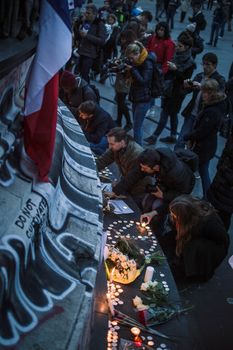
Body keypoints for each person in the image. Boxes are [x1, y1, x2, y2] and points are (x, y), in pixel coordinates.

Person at [116, 148, 195, 232]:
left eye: (145, 168)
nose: (142, 170)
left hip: (180, 191)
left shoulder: (176, 174)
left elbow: (182, 195)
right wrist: (116, 190)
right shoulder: (151, 159)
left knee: (157, 206)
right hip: (166, 184)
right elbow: (135, 174)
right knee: (148, 201)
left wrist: (164, 195)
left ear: (155, 167)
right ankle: (147, 223)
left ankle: (158, 231)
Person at [162, 195, 229, 281]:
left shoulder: (206, 222)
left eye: (174, 215)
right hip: (197, 237)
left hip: (211, 249)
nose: (172, 216)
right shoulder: (191, 214)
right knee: (170, 237)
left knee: (191, 248)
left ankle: (194, 272)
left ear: (184, 215)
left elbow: (223, 241)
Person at [144, 31, 196, 145]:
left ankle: (154, 136)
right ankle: (173, 135)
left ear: (187, 47)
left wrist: (175, 69)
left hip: (177, 92)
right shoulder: (176, 55)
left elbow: (185, 80)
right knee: (173, 114)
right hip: (168, 88)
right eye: (177, 45)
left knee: (165, 113)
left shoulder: (190, 63)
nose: (177, 47)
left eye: (180, 46)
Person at [183, 79, 228, 199]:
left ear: (212, 93)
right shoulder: (216, 105)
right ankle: (207, 197)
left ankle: (202, 196)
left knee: (195, 170)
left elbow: (202, 131)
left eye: (205, 92)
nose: (202, 95)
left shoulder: (212, 111)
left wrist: (187, 136)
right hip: (207, 146)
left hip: (203, 147)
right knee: (203, 171)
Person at [175, 52, 225, 150]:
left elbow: (220, 97)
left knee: (196, 144)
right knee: (181, 140)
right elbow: (185, 91)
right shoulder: (199, 76)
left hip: (205, 116)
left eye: (208, 64)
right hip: (192, 114)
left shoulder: (219, 79)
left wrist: (202, 87)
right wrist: (186, 85)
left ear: (214, 65)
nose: (205, 67)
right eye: (203, 64)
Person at [96, 127, 152, 200]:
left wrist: (117, 190)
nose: (109, 147)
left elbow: (132, 177)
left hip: (139, 188)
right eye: (109, 143)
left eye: (112, 144)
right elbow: (102, 161)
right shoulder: (116, 148)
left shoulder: (136, 154)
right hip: (127, 183)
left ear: (122, 142)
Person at [124, 41, 154, 145]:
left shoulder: (147, 63)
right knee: (136, 125)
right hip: (136, 97)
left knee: (137, 127)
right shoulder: (137, 62)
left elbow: (143, 81)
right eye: (129, 58)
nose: (131, 60)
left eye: (132, 58)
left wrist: (132, 70)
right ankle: (136, 148)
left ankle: (138, 151)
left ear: (138, 54)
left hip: (144, 99)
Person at [207, 124, 233, 231]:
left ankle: (218, 242)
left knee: (223, 217)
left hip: (228, 188)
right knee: (214, 212)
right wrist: (220, 166)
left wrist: (226, 175)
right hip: (221, 181)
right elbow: (226, 151)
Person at [73, 4, 107, 82]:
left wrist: (87, 36)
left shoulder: (99, 24)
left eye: (88, 13)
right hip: (80, 51)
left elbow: (102, 41)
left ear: (94, 14)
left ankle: (86, 92)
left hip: (90, 54)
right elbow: (79, 35)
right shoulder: (85, 21)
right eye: (86, 12)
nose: (86, 15)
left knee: (84, 75)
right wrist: (77, 24)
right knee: (76, 74)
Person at [114, 30, 137, 130]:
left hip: (126, 79)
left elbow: (131, 64)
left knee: (122, 101)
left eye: (123, 38)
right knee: (119, 100)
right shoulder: (125, 48)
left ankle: (129, 122)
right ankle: (118, 120)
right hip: (121, 78)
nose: (122, 40)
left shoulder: (132, 49)